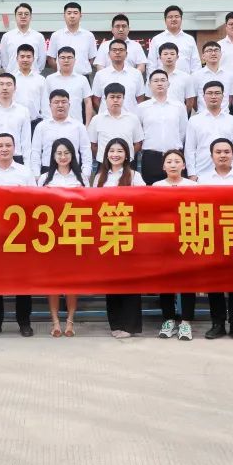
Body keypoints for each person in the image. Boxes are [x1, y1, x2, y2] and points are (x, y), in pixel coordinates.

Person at [0, 133, 38, 337]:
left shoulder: (25, 173)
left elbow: (34, 201)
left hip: (20, 235)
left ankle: (24, 322)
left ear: (14, 148)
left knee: (23, 281)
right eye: (0, 145)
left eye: (8, 145)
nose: (4, 149)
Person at [197, 138, 233, 341]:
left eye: (226, 151)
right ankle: (217, 324)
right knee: (215, 283)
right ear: (211, 156)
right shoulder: (202, 180)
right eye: (218, 152)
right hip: (214, 236)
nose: (222, 155)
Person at [92, 138, 142, 338]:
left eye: (120, 151)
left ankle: (130, 325)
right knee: (111, 281)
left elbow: (144, 201)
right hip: (107, 235)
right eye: (111, 151)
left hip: (129, 234)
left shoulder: (135, 176)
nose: (115, 154)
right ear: (106, 155)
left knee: (130, 281)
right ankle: (115, 324)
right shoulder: (99, 178)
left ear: (127, 155)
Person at [153, 149, 198, 343]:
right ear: (163, 166)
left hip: (188, 238)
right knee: (166, 282)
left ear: (184, 165)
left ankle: (186, 322)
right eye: (169, 161)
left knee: (188, 282)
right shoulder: (156, 186)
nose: (173, 164)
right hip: (165, 240)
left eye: (177, 161)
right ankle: (169, 320)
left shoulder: (193, 186)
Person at [42, 138, 86, 338]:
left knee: (71, 281)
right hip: (51, 236)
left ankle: (70, 321)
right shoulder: (45, 179)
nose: (63, 157)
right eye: (59, 153)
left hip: (74, 234)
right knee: (53, 281)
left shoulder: (81, 178)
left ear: (72, 155)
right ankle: (55, 322)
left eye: (66, 153)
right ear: (53, 156)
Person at [137, 70, 188, 184]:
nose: (159, 83)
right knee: (151, 191)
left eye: (163, 80)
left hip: (174, 156)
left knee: (176, 189)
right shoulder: (142, 108)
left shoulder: (178, 106)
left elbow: (183, 132)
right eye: (156, 81)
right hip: (151, 157)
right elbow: (138, 133)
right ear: (149, 85)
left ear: (168, 84)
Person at [184, 81, 233, 178]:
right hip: (201, 173)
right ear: (203, 97)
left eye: (217, 93)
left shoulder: (232, 121)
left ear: (223, 96)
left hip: (228, 174)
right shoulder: (194, 120)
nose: (213, 96)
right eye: (209, 93)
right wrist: (192, 173)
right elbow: (190, 150)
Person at [31, 89, 92, 181]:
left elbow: (86, 150)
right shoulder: (41, 126)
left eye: (64, 102)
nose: (60, 105)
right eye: (56, 102)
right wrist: (36, 174)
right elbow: (36, 152)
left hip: (73, 170)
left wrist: (86, 174)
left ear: (69, 105)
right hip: (47, 170)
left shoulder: (78, 126)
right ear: (50, 105)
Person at [88, 83, 144, 171]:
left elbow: (138, 143)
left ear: (123, 98)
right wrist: (104, 157)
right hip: (104, 164)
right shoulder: (97, 119)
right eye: (112, 97)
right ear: (105, 99)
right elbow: (93, 145)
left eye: (118, 97)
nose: (115, 100)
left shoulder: (133, 119)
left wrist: (126, 156)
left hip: (127, 164)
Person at [0, 73, 31, 166]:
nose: (4, 88)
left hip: (16, 156)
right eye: (1, 84)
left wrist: (27, 166)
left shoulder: (23, 111)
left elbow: (26, 142)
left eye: (8, 84)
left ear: (15, 88)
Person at [91, 39, 146, 113]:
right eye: (114, 50)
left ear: (126, 54)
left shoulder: (136, 74)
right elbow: (96, 99)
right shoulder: (100, 75)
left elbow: (140, 98)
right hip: (106, 117)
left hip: (130, 117)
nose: (117, 52)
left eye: (121, 50)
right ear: (109, 54)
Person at [45, 46, 93, 124]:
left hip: (76, 124)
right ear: (57, 60)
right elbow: (45, 102)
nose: (66, 60)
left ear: (75, 60)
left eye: (69, 57)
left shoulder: (82, 79)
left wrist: (87, 124)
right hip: (54, 124)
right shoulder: (49, 79)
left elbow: (88, 102)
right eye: (62, 58)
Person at [47, 2, 98, 76]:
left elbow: (92, 58)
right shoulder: (56, 35)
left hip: (83, 77)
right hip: (62, 77)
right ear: (64, 16)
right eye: (69, 13)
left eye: (75, 13)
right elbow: (51, 58)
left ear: (80, 16)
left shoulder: (89, 36)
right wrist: (61, 70)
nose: (72, 16)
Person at [146, 5, 201, 74]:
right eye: (170, 17)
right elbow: (151, 64)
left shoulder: (189, 39)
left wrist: (195, 79)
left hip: (185, 79)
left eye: (177, 16)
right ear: (165, 20)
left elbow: (196, 64)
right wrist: (152, 79)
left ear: (181, 19)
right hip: (162, 79)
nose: (174, 19)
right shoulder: (156, 39)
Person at [0, 2, 46, 73]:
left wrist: (34, 72)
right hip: (13, 76)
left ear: (31, 17)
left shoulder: (39, 37)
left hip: (33, 76)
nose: (23, 16)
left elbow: (42, 61)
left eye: (26, 14)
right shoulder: (7, 36)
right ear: (15, 16)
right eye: (20, 14)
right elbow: (4, 61)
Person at [191, 42, 233, 114]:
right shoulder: (195, 76)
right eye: (209, 50)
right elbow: (193, 99)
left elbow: (230, 97)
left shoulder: (229, 75)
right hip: (203, 115)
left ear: (221, 55)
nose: (213, 53)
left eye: (216, 50)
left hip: (224, 115)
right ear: (203, 56)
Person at [10, 44, 47, 131]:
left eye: (28, 57)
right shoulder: (10, 78)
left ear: (33, 59)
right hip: (14, 122)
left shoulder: (41, 79)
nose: (25, 59)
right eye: (22, 56)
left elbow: (45, 104)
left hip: (35, 123)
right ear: (17, 58)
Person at [148, 42, 192, 107]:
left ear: (177, 57)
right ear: (160, 57)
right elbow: (148, 97)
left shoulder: (186, 77)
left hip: (178, 112)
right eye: (165, 54)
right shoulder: (153, 77)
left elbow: (190, 100)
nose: (169, 57)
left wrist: (182, 112)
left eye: (172, 54)